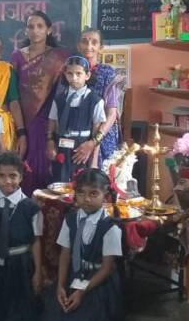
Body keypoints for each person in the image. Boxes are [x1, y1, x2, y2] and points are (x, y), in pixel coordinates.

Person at [43, 169, 124, 321]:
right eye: (81, 193)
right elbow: (65, 254)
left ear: (105, 197)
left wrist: (81, 292)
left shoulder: (110, 228)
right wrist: (60, 285)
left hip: (97, 281)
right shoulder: (70, 220)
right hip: (74, 275)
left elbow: (107, 268)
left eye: (93, 194)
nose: (86, 199)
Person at [10, 11, 69, 194]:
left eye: (40, 26)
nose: (35, 30)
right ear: (26, 31)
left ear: (48, 30)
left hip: (48, 121)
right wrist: (20, 130)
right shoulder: (17, 57)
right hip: (22, 121)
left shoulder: (59, 57)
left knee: (47, 167)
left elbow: (63, 93)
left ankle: (46, 208)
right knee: (23, 168)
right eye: (31, 26)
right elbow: (13, 95)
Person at [0, 152, 43, 321]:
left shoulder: (31, 207)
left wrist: (38, 271)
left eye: (13, 176)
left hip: (22, 263)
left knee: (22, 304)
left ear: (21, 176)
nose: (7, 181)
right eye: (1, 176)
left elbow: (36, 241)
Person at [47, 56, 106, 183]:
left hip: (82, 148)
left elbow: (97, 130)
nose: (74, 78)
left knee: (81, 182)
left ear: (87, 75)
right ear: (65, 74)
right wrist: (50, 142)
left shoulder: (95, 101)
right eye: (70, 73)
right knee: (60, 182)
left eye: (79, 74)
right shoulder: (59, 99)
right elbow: (52, 122)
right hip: (62, 146)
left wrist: (93, 156)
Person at [77, 28, 123, 164]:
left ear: (100, 47)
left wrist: (94, 141)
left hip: (101, 135)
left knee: (98, 174)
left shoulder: (107, 72)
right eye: (85, 41)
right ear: (78, 46)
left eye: (94, 42)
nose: (89, 46)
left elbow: (111, 113)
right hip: (76, 130)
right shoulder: (71, 71)